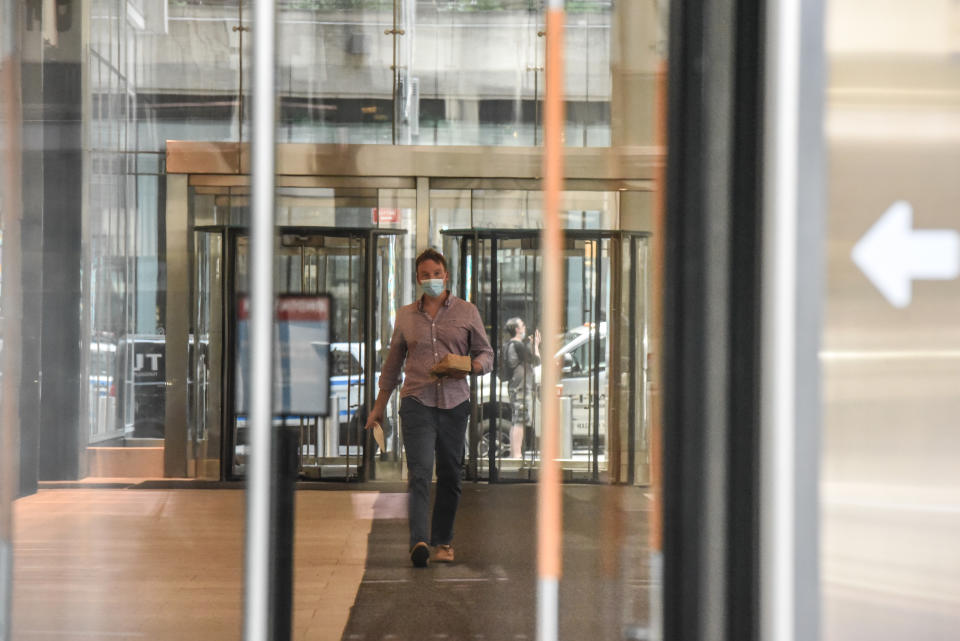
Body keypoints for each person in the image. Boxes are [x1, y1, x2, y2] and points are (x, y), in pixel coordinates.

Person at [365, 248, 493, 568]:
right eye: (425, 275)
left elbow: (486, 355)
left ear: (446, 275)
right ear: (417, 279)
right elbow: (393, 366)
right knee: (420, 472)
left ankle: (443, 540)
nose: (431, 279)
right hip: (416, 402)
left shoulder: (467, 312)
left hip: (454, 402)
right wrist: (379, 406)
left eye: (437, 273)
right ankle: (419, 541)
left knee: (450, 474)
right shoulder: (406, 316)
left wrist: (469, 366)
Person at [502, 317, 540, 460]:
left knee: (516, 420)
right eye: (523, 325)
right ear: (517, 329)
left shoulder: (509, 345)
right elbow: (536, 361)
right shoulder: (517, 345)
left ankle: (514, 452)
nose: (525, 328)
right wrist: (535, 345)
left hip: (514, 387)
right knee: (520, 421)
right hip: (521, 388)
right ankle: (516, 454)